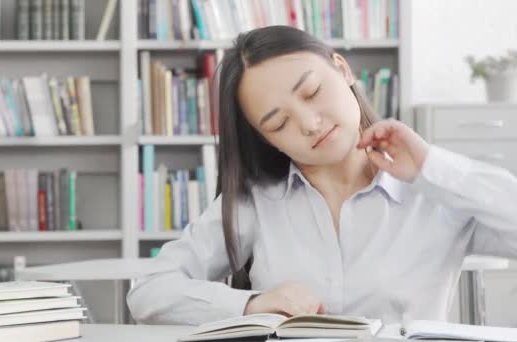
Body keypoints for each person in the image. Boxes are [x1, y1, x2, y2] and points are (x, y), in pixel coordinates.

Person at [127, 26, 517, 326]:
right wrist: (252, 304)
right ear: (266, 140)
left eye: (312, 92)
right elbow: (149, 292)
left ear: (342, 68)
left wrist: (431, 167)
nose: (310, 124)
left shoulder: (432, 192)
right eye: (279, 123)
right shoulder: (257, 201)